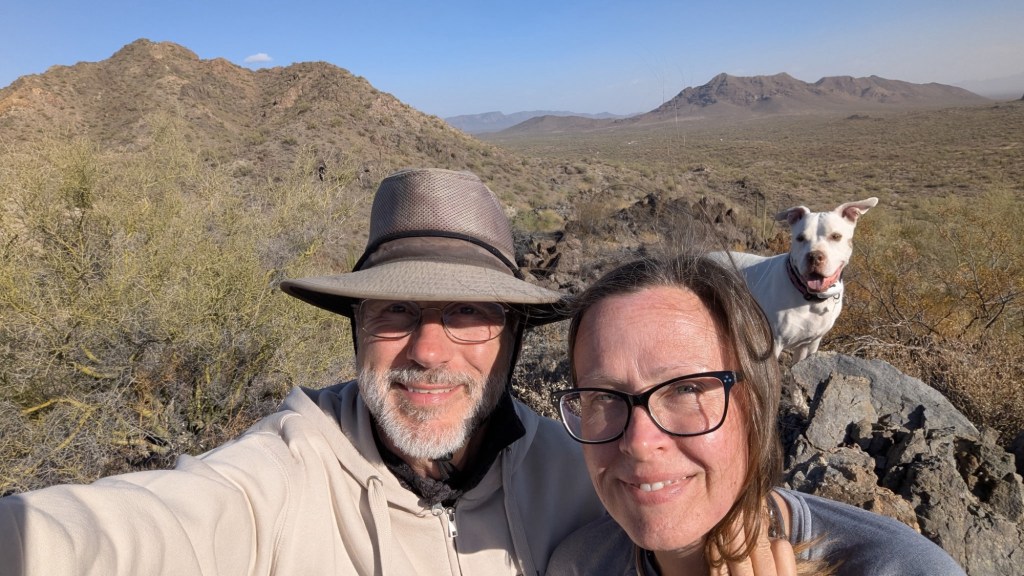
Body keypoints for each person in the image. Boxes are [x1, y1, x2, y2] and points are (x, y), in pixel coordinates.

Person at [0, 168, 604, 575]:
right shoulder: (286, 470)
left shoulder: (588, 478)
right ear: (356, 328)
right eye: (396, 310)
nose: (427, 350)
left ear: (514, 335)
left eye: (467, 312)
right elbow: (148, 526)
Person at [546, 254, 966, 576]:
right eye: (603, 396)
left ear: (754, 404)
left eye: (686, 389)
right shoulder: (579, 564)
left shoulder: (895, 568)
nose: (638, 442)